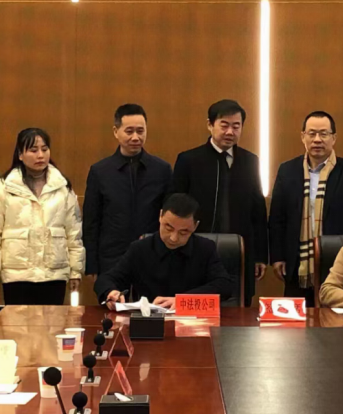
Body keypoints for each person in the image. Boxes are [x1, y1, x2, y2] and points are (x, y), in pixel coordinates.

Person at [269, 111, 343, 307]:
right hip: (296, 262)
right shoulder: (287, 170)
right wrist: (278, 256)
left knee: (335, 320)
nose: (317, 139)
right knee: (298, 322)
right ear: (303, 136)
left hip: (339, 262)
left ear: (334, 138)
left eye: (324, 134)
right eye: (312, 133)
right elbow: (277, 218)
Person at [171, 99, 267, 306]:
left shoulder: (250, 161)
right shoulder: (189, 160)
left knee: (238, 310)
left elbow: (258, 211)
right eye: (224, 125)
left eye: (236, 126)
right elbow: (175, 208)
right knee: (195, 308)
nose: (230, 132)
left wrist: (259, 256)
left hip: (239, 252)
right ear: (210, 124)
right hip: (196, 250)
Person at [0, 128, 84, 305]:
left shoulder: (62, 187)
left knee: (52, 322)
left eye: (44, 149)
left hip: (54, 274)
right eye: (33, 150)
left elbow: (74, 232)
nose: (40, 155)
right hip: (17, 275)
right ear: (20, 154)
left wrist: (75, 271)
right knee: (18, 322)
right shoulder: (4, 187)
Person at [94, 193, 233, 310]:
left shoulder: (205, 248)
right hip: (151, 323)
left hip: (193, 323)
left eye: (183, 232)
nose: (173, 238)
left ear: (195, 226)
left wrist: (182, 301)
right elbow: (106, 279)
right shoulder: (140, 249)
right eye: (168, 228)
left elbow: (224, 285)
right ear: (160, 216)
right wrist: (110, 292)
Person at [83, 104, 172, 278]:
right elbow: (91, 222)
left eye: (140, 131)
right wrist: (92, 265)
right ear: (116, 131)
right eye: (129, 131)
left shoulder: (162, 170)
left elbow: (168, 217)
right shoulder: (100, 171)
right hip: (111, 258)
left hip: (152, 256)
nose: (135, 137)